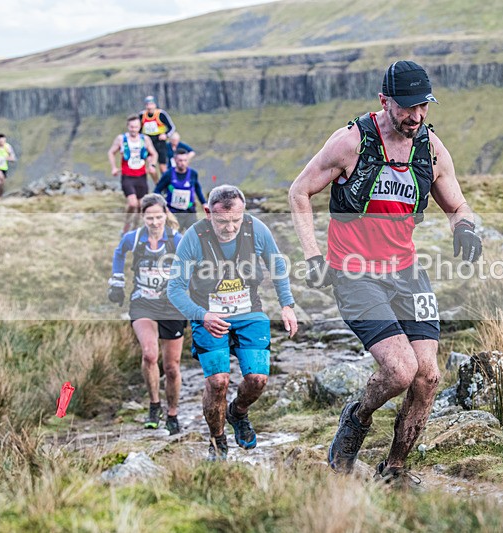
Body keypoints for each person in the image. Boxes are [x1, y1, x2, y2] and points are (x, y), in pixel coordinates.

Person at [288, 60, 483, 484]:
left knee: (428, 376)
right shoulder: (351, 142)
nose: (416, 116)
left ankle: (394, 469)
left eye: (423, 107)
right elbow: (299, 191)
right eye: (407, 107)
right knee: (399, 371)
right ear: (384, 101)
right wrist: (312, 256)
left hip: (407, 272)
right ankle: (356, 418)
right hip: (354, 273)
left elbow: (457, 204)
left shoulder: (430, 148)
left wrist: (465, 228)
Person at [167, 184, 298, 461]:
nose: (230, 228)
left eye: (236, 220)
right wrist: (202, 315)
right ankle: (217, 442)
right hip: (208, 314)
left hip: (249, 312)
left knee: (258, 380)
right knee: (218, 382)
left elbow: (278, 266)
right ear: (207, 213)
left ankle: (237, 412)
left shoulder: (256, 229)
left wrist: (287, 305)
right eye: (222, 221)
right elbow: (175, 288)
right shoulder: (193, 237)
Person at [108, 193, 186, 434]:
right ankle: (154, 405)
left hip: (171, 306)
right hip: (143, 303)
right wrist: (117, 283)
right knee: (150, 355)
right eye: (149, 218)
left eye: (158, 217)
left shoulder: (176, 239)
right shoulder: (134, 238)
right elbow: (119, 253)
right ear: (143, 217)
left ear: (165, 215)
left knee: (171, 367)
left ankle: (172, 413)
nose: (154, 222)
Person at [108, 115, 158, 234]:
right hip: (127, 176)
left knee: (141, 206)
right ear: (128, 126)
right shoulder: (121, 139)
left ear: (139, 127)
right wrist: (114, 167)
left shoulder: (145, 139)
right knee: (132, 203)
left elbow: (154, 153)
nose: (133, 129)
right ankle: (126, 226)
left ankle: (135, 228)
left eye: (136, 127)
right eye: (131, 127)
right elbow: (111, 152)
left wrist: (152, 165)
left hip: (141, 177)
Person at [154, 149, 206, 232]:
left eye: (185, 160)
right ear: (175, 160)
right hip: (173, 212)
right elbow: (157, 191)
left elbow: (197, 188)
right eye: (180, 160)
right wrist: (163, 207)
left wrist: (204, 203)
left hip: (189, 211)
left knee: (196, 235)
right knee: (173, 237)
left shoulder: (193, 174)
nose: (183, 163)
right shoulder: (168, 174)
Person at [139, 96, 176, 181]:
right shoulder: (142, 115)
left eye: (151, 104)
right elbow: (138, 129)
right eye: (147, 104)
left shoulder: (161, 114)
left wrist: (166, 135)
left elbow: (172, 127)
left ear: (155, 105)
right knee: (151, 168)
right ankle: (157, 186)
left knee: (163, 167)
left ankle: (167, 185)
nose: (149, 107)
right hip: (148, 143)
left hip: (160, 143)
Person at [0, 134, 17, 198]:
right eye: (0, 141)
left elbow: (13, 158)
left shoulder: (8, 147)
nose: (1, 142)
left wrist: (9, 158)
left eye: (3, 141)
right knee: (0, 177)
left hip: (4, 167)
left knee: (1, 183)